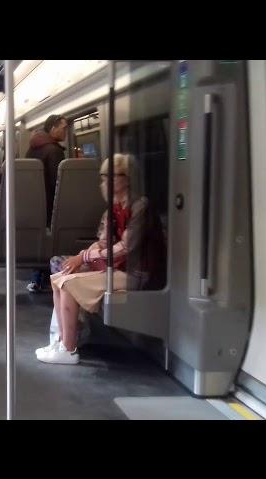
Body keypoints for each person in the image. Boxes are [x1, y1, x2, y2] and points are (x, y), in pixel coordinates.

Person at [36, 153, 164, 365]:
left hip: (137, 273)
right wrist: (83, 255)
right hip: (119, 269)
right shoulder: (115, 206)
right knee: (58, 278)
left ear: (128, 178)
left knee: (68, 284)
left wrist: (84, 256)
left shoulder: (141, 207)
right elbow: (105, 242)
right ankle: (60, 341)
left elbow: (125, 247)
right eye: (105, 176)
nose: (106, 180)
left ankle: (69, 349)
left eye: (113, 175)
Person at [25, 114, 68, 293]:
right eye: (63, 127)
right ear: (52, 128)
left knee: (42, 241)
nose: (66, 131)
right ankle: (47, 279)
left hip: (34, 203)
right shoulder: (54, 151)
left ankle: (36, 279)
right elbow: (57, 182)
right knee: (52, 242)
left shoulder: (32, 149)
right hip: (50, 204)